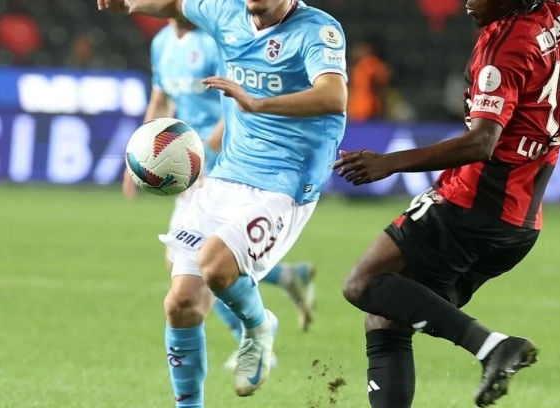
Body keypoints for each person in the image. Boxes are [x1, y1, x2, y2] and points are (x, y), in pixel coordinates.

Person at [333, 0, 560, 407]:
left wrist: (390, 162)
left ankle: (492, 346)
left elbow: (481, 142)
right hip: (518, 227)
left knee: (362, 283)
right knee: (387, 316)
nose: (468, 2)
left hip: (469, 207)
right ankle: (488, 347)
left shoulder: (503, 47)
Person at [99, 0, 348, 405]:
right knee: (181, 303)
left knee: (215, 265)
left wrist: (257, 103)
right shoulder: (225, 13)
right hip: (227, 175)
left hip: (284, 184)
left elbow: (333, 95)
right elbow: (174, 3)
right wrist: (128, 5)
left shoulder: (318, 30)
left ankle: (258, 326)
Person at [122, 17, 318, 374]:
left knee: (192, 263)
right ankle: (286, 279)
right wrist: (139, 157)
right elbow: (161, 100)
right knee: (189, 262)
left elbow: (237, 106)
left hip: (218, 161)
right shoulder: (162, 42)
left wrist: (206, 153)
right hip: (182, 161)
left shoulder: (216, 41)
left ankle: (256, 335)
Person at [347, 37, 389, 122]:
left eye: (359, 49)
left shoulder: (371, 63)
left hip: (368, 106)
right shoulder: (358, 65)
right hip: (356, 105)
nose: (355, 52)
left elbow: (381, 81)